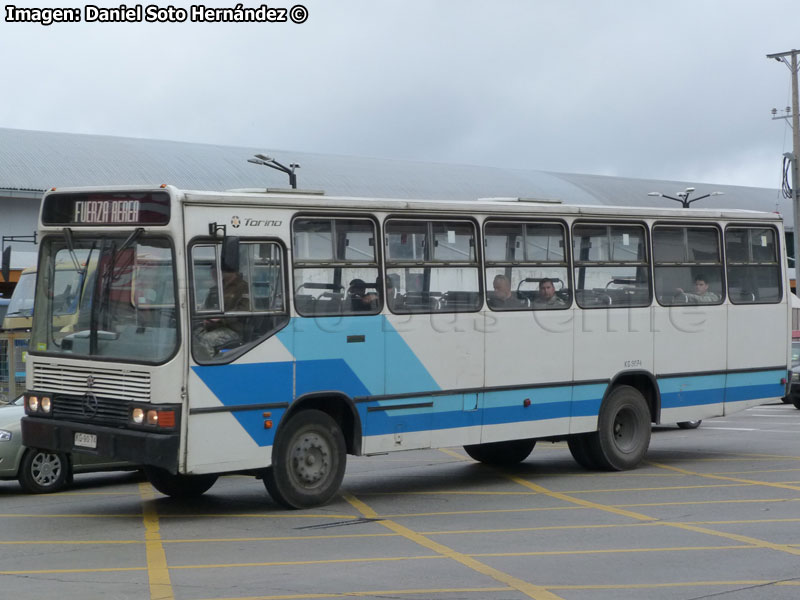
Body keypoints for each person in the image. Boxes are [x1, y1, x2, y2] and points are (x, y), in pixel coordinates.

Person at [194, 266, 251, 359]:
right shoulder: (215, 289)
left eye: (216, 274)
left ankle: (206, 366)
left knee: (207, 340)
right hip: (213, 326)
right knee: (194, 336)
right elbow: (207, 307)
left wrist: (221, 318)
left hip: (234, 329)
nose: (214, 277)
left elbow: (244, 310)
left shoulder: (243, 288)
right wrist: (205, 318)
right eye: (212, 275)